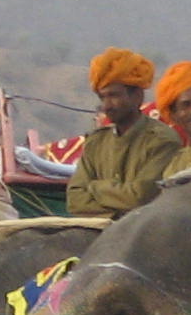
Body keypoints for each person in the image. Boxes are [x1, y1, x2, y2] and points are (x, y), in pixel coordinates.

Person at [64, 48, 178, 216]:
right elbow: (75, 200)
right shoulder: (96, 143)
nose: (106, 106)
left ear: (137, 96)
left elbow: (139, 198)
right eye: (102, 97)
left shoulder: (162, 141)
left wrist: (94, 187)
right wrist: (117, 208)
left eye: (113, 96)